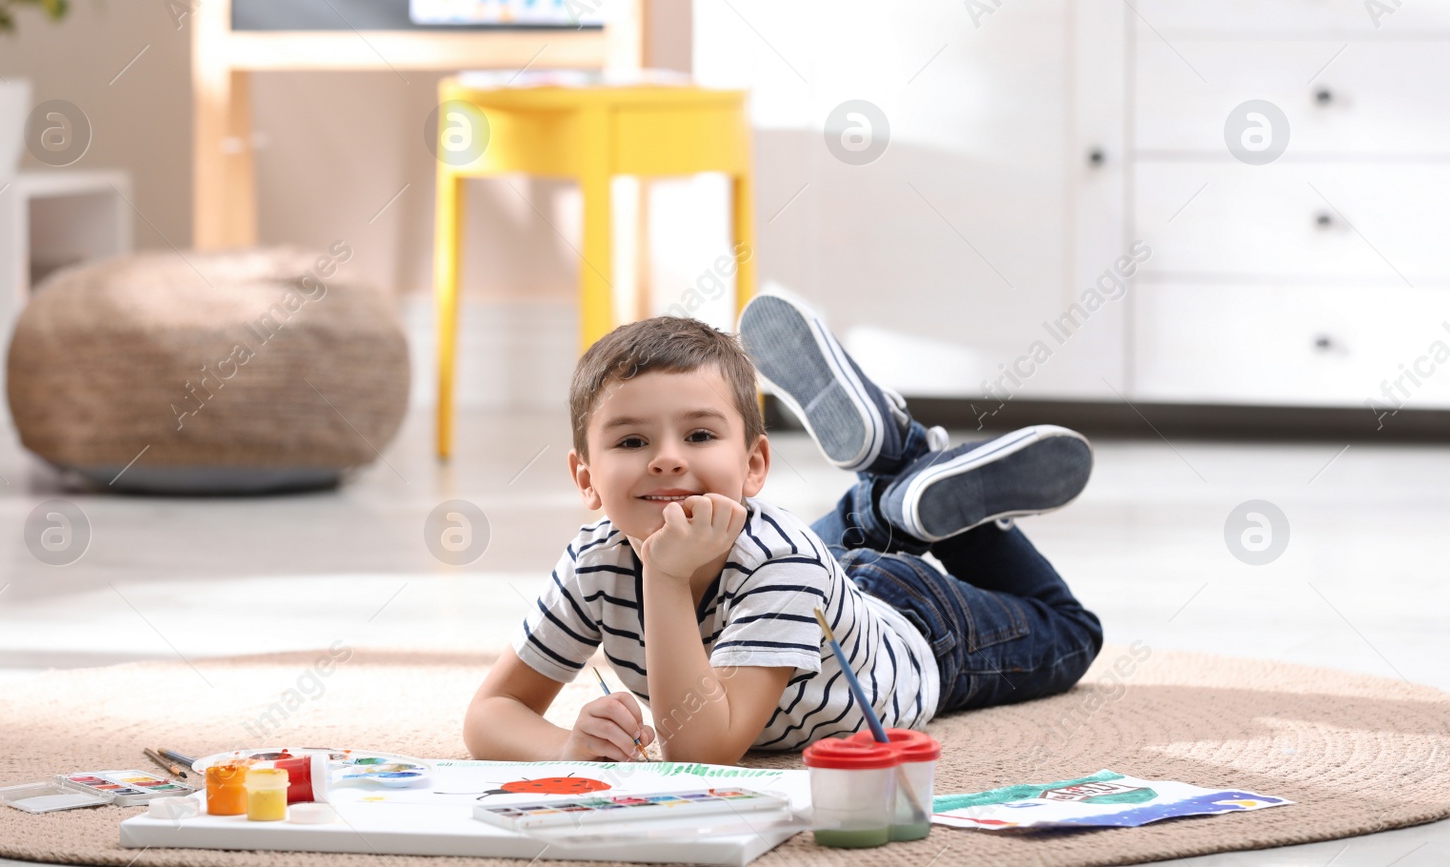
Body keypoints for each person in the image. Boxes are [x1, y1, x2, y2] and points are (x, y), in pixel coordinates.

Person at [463, 292, 1104, 765]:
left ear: (754, 465)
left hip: (922, 631)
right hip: (820, 588)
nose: (666, 458)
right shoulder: (593, 560)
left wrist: (664, 574)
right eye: (632, 440)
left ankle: (905, 457)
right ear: (586, 479)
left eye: (700, 435)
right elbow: (490, 715)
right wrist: (566, 747)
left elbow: (702, 750)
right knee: (807, 560)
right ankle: (894, 476)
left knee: (1072, 630)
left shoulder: (780, 562)